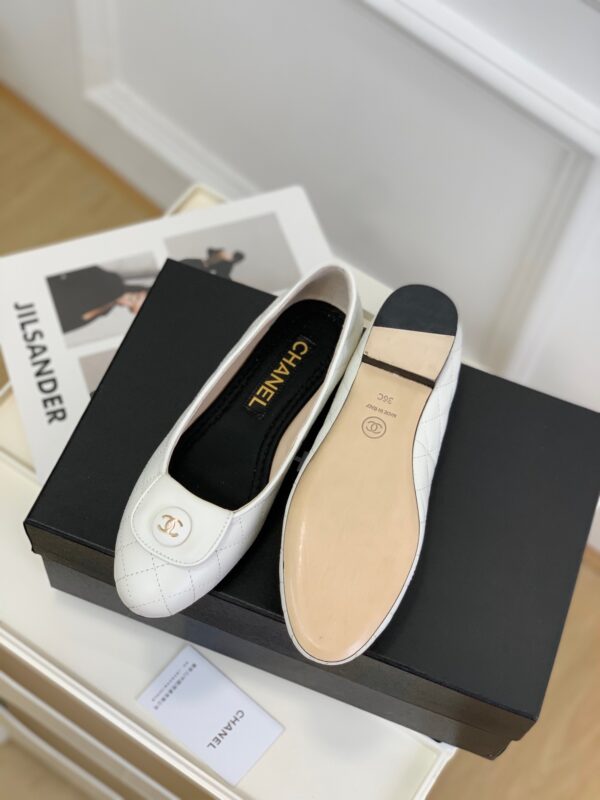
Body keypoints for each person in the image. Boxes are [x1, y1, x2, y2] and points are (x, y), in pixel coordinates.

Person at [47, 266, 149, 333]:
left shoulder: (107, 309)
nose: (125, 304)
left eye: (130, 308)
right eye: (132, 299)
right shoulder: (111, 283)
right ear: (139, 291)